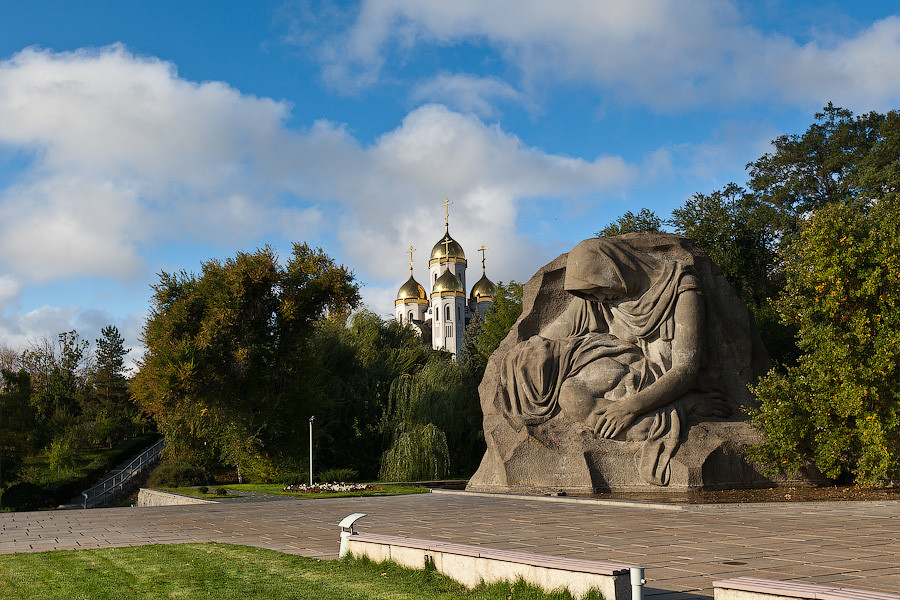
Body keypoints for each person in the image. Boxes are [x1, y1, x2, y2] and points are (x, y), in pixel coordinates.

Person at [498, 237, 728, 484]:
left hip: (662, 386)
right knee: (571, 395)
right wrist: (518, 363)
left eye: (599, 288)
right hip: (619, 379)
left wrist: (629, 408)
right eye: (590, 292)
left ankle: (685, 407)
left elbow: (685, 370)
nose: (598, 297)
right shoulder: (596, 297)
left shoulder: (682, 291)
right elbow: (547, 341)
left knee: (575, 394)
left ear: (613, 269)